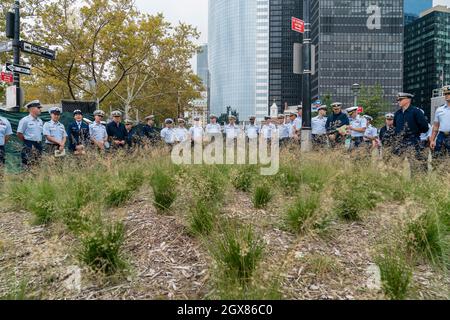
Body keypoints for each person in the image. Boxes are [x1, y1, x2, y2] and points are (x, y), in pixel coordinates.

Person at [393, 92, 430, 174]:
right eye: (398, 100)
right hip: (399, 141)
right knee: (396, 164)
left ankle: (416, 183)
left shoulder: (416, 112)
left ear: (408, 100)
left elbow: (425, 127)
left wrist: (415, 132)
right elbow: (395, 126)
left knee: (415, 164)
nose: (398, 101)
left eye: (400, 99)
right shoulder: (397, 113)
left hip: (413, 140)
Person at [17, 100, 44, 168]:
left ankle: (37, 178)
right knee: (28, 164)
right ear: (32, 109)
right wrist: (27, 142)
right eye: (38, 108)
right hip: (29, 144)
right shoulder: (25, 120)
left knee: (38, 164)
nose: (40, 109)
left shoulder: (40, 121)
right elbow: (19, 133)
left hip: (39, 144)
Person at [430, 85, 450, 164]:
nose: (446, 95)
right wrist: (432, 140)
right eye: (445, 94)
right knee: (437, 161)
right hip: (441, 136)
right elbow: (435, 126)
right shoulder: (439, 110)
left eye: (448, 93)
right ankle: (440, 176)